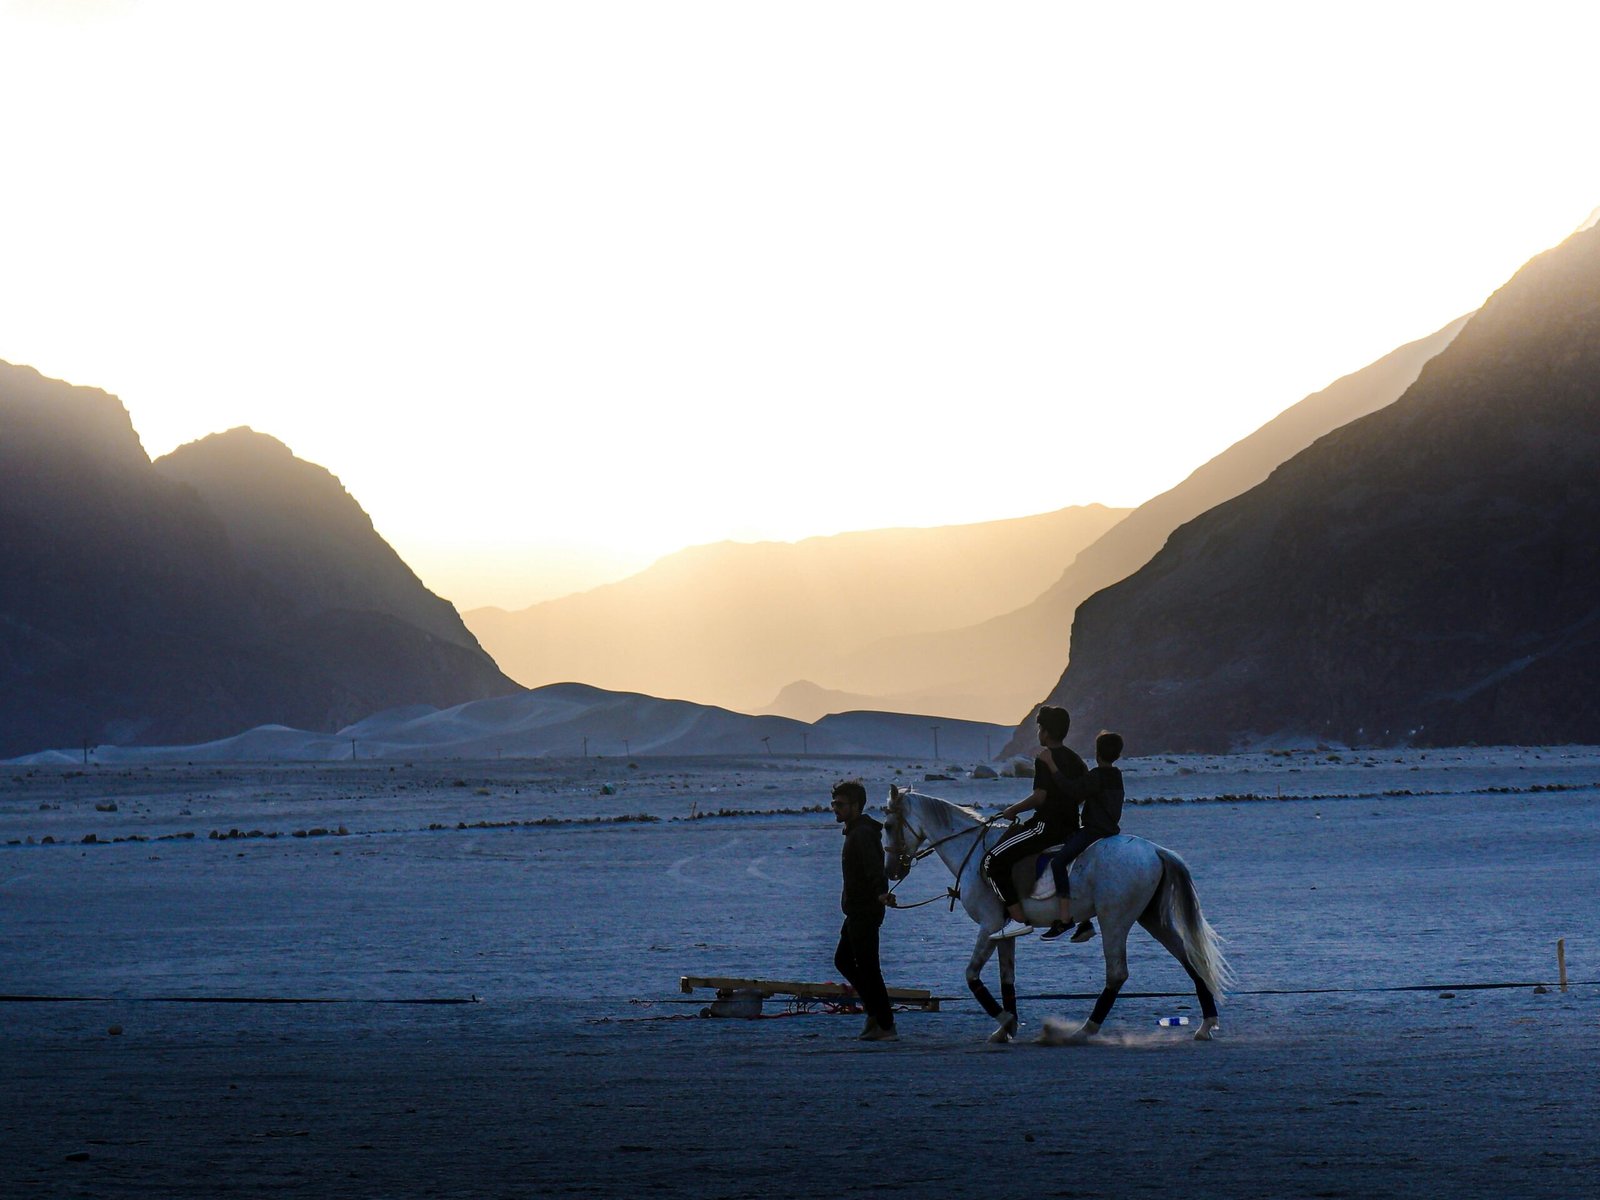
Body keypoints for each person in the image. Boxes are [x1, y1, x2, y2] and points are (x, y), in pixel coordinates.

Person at [981, 705, 1088, 940]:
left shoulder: (1044, 759)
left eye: (1040, 728)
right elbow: (1081, 794)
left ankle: (1017, 921)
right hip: (1072, 827)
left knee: (991, 861)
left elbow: (1040, 797)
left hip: (1046, 827)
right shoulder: (1075, 759)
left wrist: (1012, 809)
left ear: (1047, 732)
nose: (1038, 732)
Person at [1040, 730, 1126, 943]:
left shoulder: (1097, 776)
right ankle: (1085, 922)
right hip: (1110, 829)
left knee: (1058, 863)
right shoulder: (1116, 775)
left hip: (1093, 831)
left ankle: (1065, 918)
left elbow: (1072, 790)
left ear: (1097, 753)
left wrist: (1051, 765)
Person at [830, 779, 897, 1042]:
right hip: (855, 911)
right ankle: (874, 1014)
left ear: (856, 806)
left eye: (841, 804)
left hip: (865, 911)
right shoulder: (855, 831)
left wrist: (881, 892)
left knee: (869, 968)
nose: (835, 808)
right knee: (844, 961)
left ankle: (885, 1024)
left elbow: (874, 868)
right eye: (834, 803)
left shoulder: (863, 834)